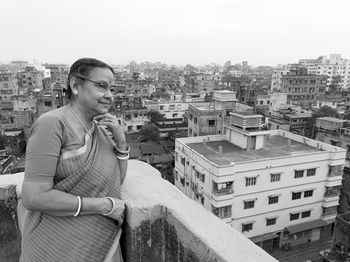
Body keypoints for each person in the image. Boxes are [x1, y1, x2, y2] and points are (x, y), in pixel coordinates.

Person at [18, 58, 128, 262]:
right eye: (102, 86)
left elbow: (116, 179)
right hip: (55, 249)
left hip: (96, 245)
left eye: (112, 89)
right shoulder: (52, 124)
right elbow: (33, 197)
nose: (110, 96)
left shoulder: (98, 131)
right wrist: (104, 206)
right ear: (76, 86)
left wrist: (120, 143)